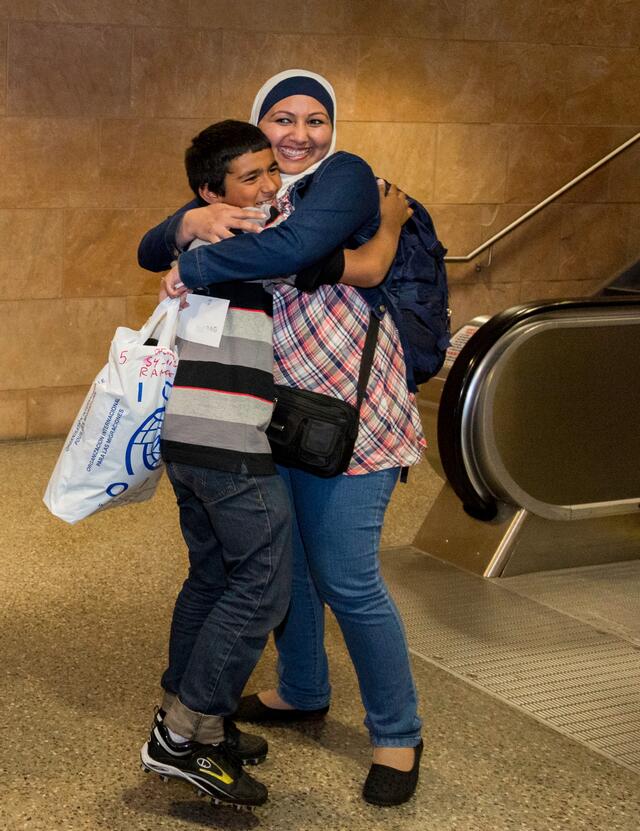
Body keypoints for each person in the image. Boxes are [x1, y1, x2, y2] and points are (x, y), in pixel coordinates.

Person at [139, 69, 426, 807]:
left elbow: (300, 249)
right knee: (288, 570)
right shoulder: (261, 193)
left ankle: (398, 731)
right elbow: (151, 242)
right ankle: (302, 689)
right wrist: (184, 226)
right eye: (281, 120)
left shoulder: (345, 181)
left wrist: (194, 257)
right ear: (257, 124)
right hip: (274, 413)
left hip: (354, 414)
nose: (299, 134)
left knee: (347, 578)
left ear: (335, 130)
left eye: (316, 119)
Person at [140, 120, 291, 810]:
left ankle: (194, 713)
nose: (270, 184)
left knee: (212, 575)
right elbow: (326, 254)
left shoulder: (209, 232)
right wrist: (192, 221)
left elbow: (152, 246)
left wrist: (186, 221)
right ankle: (181, 735)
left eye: (271, 170)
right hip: (226, 437)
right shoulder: (243, 238)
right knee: (262, 584)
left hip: (187, 437)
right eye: (252, 175)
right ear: (212, 190)